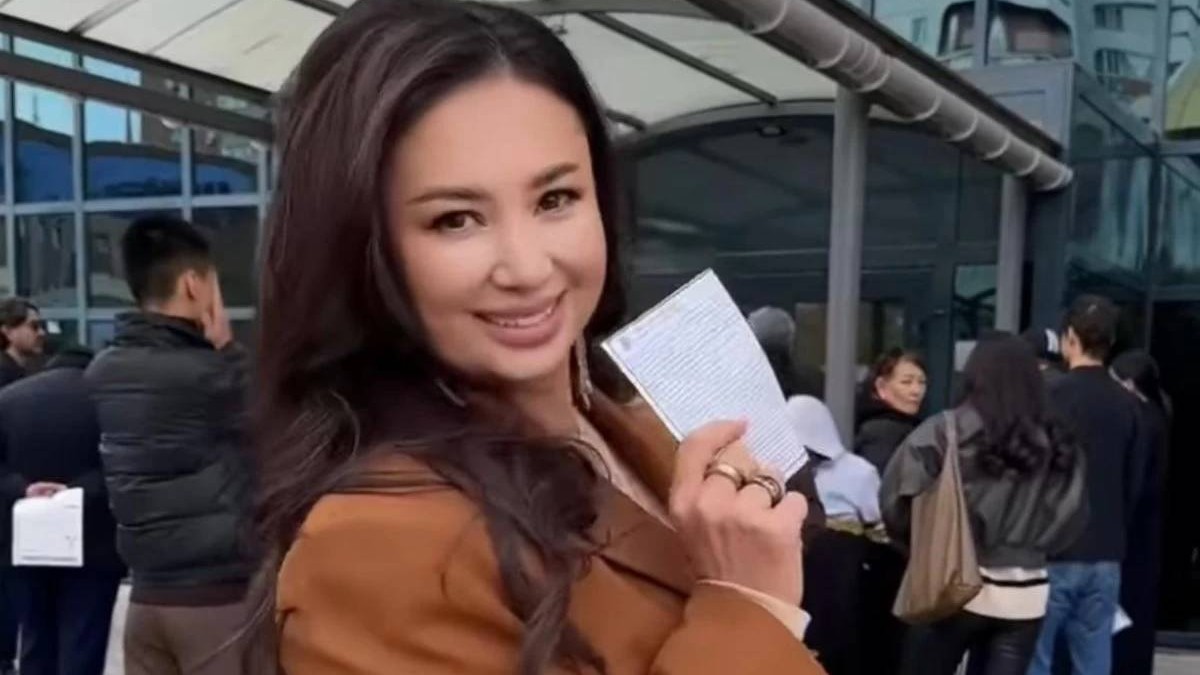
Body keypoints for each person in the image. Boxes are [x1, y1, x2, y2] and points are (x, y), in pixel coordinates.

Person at [254, 2, 824, 673]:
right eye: (456, 219)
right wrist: (749, 606)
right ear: (362, 247)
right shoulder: (373, 547)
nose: (526, 268)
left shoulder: (629, 426)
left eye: (555, 199)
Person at [85, 216, 256, 675]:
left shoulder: (104, 371)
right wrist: (229, 349)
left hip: (146, 596)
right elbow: (278, 426)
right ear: (193, 285)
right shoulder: (216, 375)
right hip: (216, 600)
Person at [881, 333, 1087, 675]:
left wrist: (924, 547)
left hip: (950, 582)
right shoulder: (1058, 439)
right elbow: (1072, 516)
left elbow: (896, 502)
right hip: (1025, 593)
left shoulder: (944, 430)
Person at [1028, 296, 1150, 675]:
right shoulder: (1130, 403)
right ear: (1110, 343)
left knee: (1036, 658)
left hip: (1051, 550)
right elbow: (1135, 480)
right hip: (1106, 553)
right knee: (1094, 659)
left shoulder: (1048, 396)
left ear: (1070, 338)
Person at [0, 346, 122, 675]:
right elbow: (123, 464)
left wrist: (23, 488)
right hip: (93, 541)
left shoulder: (8, 399)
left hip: (24, 542)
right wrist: (79, 490)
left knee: (35, 636)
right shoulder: (109, 403)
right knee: (84, 640)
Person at [787, 395, 881, 675]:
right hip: (795, 560)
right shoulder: (779, 467)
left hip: (841, 568)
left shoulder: (859, 472)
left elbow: (875, 522)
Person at [1110, 350, 1170, 675]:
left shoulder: (1140, 420)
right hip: (1148, 529)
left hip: (1133, 530)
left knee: (1126, 606)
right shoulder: (1158, 414)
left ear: (1130, 384)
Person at [855, 348, 927, 474]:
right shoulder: (881, 431)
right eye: (906, 382)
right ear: (881, 386)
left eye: (922, 382)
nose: (916, 391)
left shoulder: (907, 426)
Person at [0, 297, 46, 388]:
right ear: (8, 332)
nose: (41, 333)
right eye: (34, 326)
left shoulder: (30, 368)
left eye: (42, 326)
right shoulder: (4, 374)